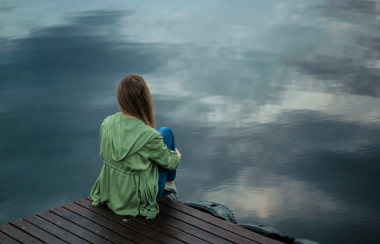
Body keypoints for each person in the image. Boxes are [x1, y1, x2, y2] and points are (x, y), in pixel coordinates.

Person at [90, 74, 181, 220]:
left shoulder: (106, 123)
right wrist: (177, 155)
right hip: (138, 199)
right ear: (144, 100)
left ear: (120, 99)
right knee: (166, 132)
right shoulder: (150, 136)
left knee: (161, 135)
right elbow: (172, 163)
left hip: (113, 192)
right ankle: (170, 185)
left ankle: (168, 184)